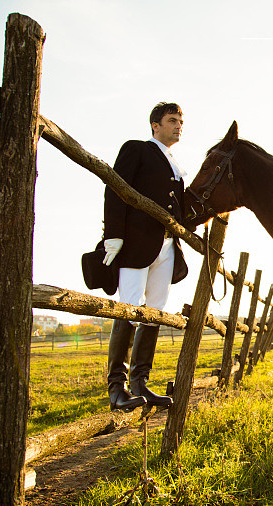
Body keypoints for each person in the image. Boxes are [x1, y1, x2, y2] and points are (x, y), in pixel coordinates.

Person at [102, 102, 189, 411]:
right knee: (129, 307)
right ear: (155, 125)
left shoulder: (175, 164)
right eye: (172, 120)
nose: (179, 125)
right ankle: (117, 387)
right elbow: (114, 189)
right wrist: (113, 235)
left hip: (167, 247)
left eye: (181, 121)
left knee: (154, 310)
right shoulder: (136, 149)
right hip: (136, 245)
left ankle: (140, 383)